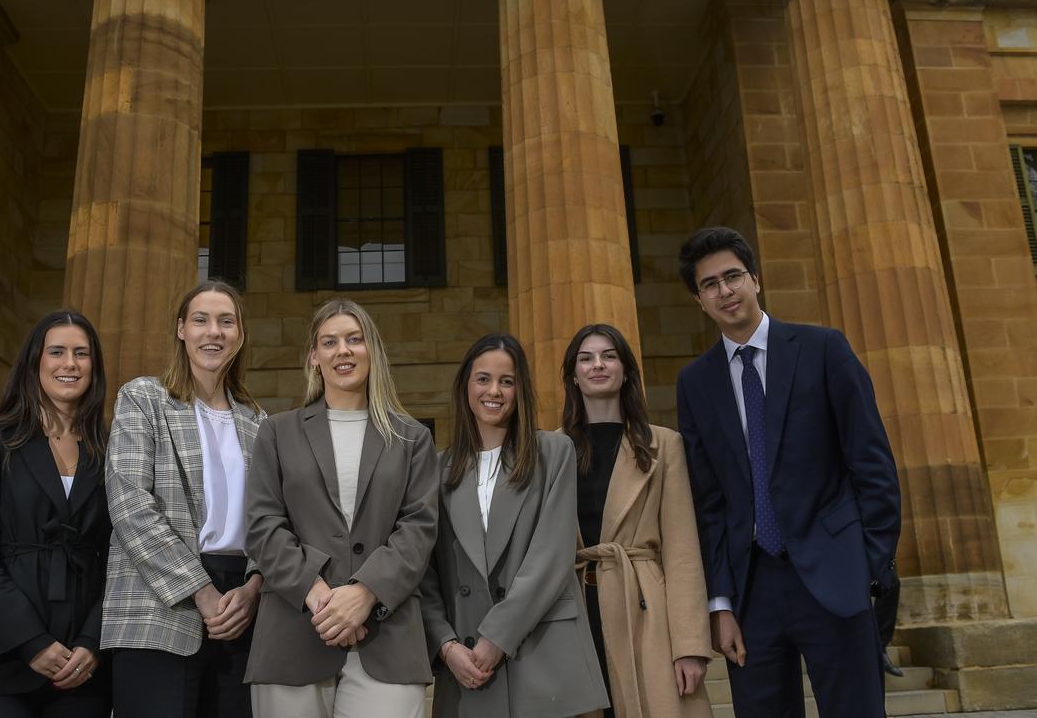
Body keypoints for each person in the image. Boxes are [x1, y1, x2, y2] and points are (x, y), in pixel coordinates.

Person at [675, 227, 901, 718]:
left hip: (836, 577)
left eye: (733, 276)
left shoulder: (823, 350)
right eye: (710, 284)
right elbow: (707, 502)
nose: (725, 291)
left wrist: (869, 566)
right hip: (751, 592)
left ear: (755, 279)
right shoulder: (695, 382)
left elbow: (873, 464)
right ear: (700, 299)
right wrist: (720, 604)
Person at [244, 298, 439, 718]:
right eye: (329, 342)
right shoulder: (276, 432)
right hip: (294, 630)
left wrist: (365, 593)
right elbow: (263, 525)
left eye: (354, 339)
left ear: (373, 350)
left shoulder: (412, 438)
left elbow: (419, 528)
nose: (343, 351)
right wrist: (318, 595)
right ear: (314, 357)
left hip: (387, 635)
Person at [100, 281, 266, 717]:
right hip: (160, 601)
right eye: (201, 320)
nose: (214, 332)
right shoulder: (143, 398)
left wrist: (254, 586)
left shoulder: (257, 420)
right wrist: (201, 591)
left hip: (241, 605)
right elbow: (130, 504)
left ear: (240, 334)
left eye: (226, 321)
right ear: (180, 330)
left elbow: (271, 517)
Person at [421, 333, 609, 718]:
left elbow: (551, 556)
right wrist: (445, 645)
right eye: (483, 379)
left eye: (507, 381)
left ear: (520, 389)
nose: (494, 391)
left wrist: (498, 637)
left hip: (541, 650)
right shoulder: (436, 469)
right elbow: (425, 574)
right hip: (466, 663)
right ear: (465, 386)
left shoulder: (553, 453)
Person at [0, 310, 112, 718]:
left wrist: (93, 640)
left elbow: (122, 554)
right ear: (35, 361)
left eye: (81, 353)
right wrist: (30, 641)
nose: (69, 363)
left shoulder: (112, 450)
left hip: (81, 664)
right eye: (57, 351)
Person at [561, 324, 713, 718]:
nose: (598, 365)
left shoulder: (664, 444)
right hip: (574, 607)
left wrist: (691, 646)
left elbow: (682, 551)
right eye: (586, 358)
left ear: (626, 370)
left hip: (644, 605)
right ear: (573, 376)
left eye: (609, 356)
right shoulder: (553, 449)